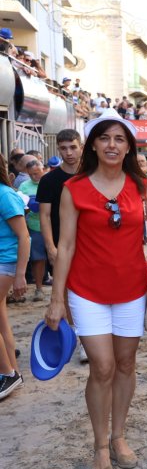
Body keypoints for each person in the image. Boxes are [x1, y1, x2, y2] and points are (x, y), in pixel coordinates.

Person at [44, 109, 147, 469]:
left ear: (128, 147)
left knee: (126, 364)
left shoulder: (142, 188)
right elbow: (67, 244)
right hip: (87, 291)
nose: (112, 145)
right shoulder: (73, 188)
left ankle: (118, 436)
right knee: (103, 366)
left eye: (120, 139)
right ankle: (100, 447)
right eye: (105, 138)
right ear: (93, 144)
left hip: (131, 289)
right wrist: (57, 299)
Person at [38, 130, 83, 357]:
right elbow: (44, 216)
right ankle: (74, 334)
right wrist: (50, 247)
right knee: (64, 289)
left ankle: (84, 335)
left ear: (81, 146)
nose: (69, 152)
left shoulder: (91, 175)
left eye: (73, 147)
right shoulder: (49, 180)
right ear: (58, 149)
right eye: (64, 148)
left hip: (88, 242)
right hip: (60, 241)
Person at [0, 153, 29, 400]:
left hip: (5, 263)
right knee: (1, 319)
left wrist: (21, 275)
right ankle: (12, 372)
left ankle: (8, 374)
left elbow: (24, 237)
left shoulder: (5, 194)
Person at [17, 159, 46, 301]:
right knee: (38, 258)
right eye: (32, 174)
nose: (35, 176)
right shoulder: (24, 186)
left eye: (37, 173)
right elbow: (20, 207)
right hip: (35, 226)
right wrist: (28, 207)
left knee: (59, 257)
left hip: (54, 224)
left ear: (43, 169)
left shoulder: (49, 181)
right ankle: (39, 289)